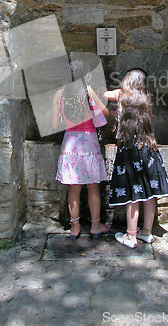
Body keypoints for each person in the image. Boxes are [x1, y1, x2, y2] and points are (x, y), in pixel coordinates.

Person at [104, 69, 168, 248]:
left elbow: (105, 94)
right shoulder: (145, 99)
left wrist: (121, 91)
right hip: (148, 149)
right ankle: (146, 233)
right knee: (150, 193)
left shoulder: (121, 97)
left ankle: (130, 236)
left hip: (129, 150)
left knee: (133, 195)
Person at [51, 58, 110, 240]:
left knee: (74, 188)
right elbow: (105, 113)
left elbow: (54, 125)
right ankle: (95, 225)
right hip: (89, 143)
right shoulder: (88, 91)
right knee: (93, 187)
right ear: (85, 74)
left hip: (70, 144)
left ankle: (75, 227)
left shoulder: (59, 94)